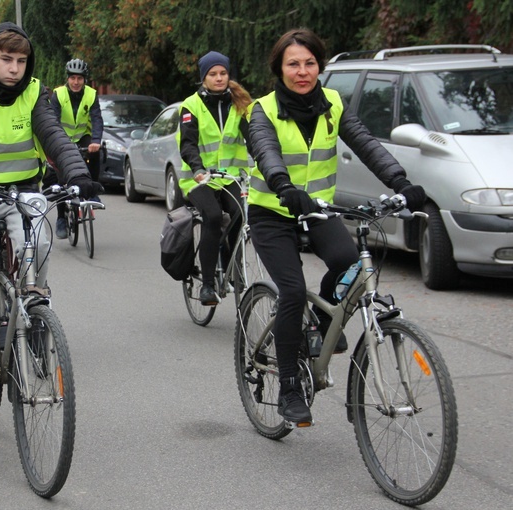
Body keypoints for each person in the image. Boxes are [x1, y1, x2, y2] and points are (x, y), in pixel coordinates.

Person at [246, 28, 426, 425]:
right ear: (280, 67)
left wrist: (400, 181)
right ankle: (291, 384)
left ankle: (323, 324)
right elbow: (265, 150)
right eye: (293, 64)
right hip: (272, 211)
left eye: (309, 63)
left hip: (317, 210)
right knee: (292, 290)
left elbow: (365, 144)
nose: (302, 71)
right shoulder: (261, 109)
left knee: (349, 263)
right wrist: (283, 186)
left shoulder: (332, 103)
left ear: (319, 66)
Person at [0, 22, 102, 414]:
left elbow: (52, 134)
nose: (15, 68)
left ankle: (32, 310)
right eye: (6, 60)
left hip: (24, 191)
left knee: (43, 242)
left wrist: (79, 175)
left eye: (21, 61)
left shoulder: (35, 93)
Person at [178, 51, 252, 305]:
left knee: (241, 216)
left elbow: (254, 141)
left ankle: (235, 270)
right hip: (199, 179)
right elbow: (188, 145)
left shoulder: (241, 104)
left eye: (223, 73)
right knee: (211, 217)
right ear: (203, 78)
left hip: (230, 178)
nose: (219, 78)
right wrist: (198, 169)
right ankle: (208, 285)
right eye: (213, 74)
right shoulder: (191, 106)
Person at [49, 58, 104, 238]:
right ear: (68, 79)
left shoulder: (91, 94)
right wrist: (57, 145)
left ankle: (92, 192)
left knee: (94, 153)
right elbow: (53, 120)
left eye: (79, 79)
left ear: (84, 80)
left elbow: (96, 119)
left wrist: (96, 140)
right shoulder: (58, 95)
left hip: (82, 137)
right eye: (72, 78)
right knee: (60, 177)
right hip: (61, 138)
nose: (76, 82)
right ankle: (61, 218)